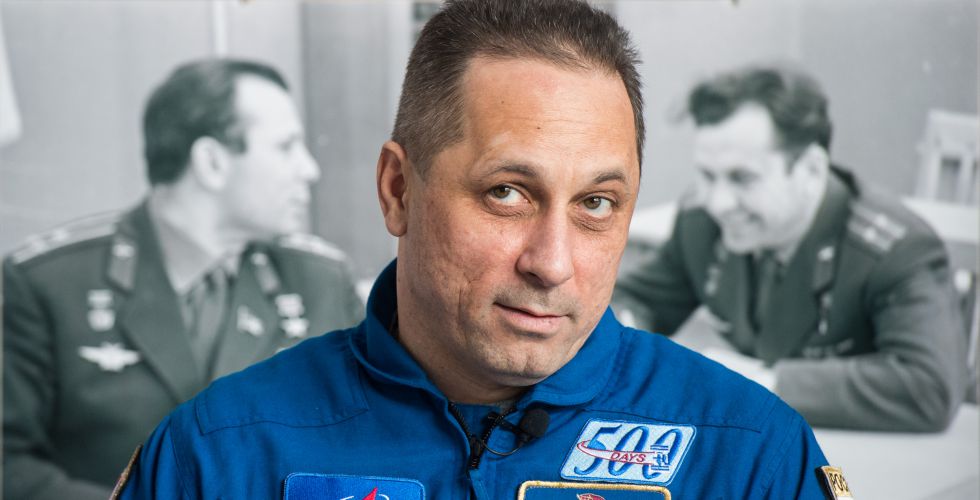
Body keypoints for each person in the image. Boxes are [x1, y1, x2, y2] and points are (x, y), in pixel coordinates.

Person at [115, 2, 840, 499]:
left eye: (596, 203)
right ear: (398, 190)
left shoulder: (749, 454)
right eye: (507, 193)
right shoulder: (217, 456)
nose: (552, 263)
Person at [2, 58, 365, 500]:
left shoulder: (321, 282)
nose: (309, 169)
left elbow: (373, 444)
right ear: (211, 163)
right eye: (286, 147)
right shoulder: (49, 284)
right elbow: (8, 464)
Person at [614, 65, 968, 432]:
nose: (718, 202)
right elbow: (633, 301)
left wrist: (764, 383)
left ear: (812, 169)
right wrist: (625, 354)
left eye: (743, 178)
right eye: (707, 175)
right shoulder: (702, 224)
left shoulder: (894, 251)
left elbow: (928, 385)